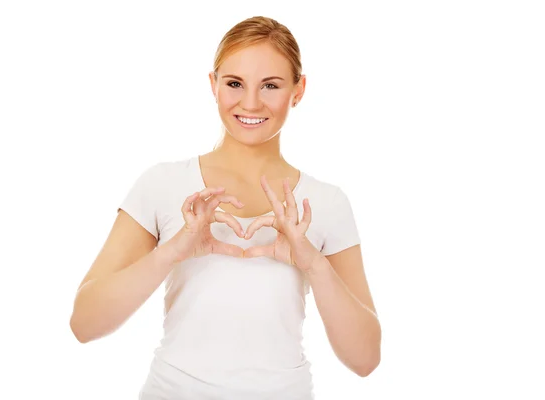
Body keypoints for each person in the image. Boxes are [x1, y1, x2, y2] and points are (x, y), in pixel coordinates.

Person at [69, 15, 381, 400]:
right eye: (235, 83)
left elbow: (365, 360)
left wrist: (314, 264)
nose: (250, 102)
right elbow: (84, 323)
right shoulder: (163, 184)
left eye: (271, 85)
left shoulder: (326, 203)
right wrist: (172, 252)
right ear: (213, 85)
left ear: (298, 91)